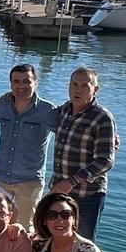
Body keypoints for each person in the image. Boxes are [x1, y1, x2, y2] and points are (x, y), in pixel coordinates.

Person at [0, 63, 59, 233]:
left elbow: (69, 133)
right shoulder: (2, 104)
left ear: (36, 82)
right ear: (11, 84)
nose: (21, 86)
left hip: (29, 182)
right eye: (16, 81)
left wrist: (108, 137)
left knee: (24, 229)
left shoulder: (47, 111)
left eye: (26, 81)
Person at [50, 67, 117, 240]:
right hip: (60, 191)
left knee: (82, 244)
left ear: (95, 89)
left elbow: (105, 161)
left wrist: (71, 181)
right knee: (57, 240)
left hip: (87, 196)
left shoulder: (102, 117)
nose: (77, 90)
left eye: (84, 86)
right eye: (74, 84)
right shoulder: (65, 110)